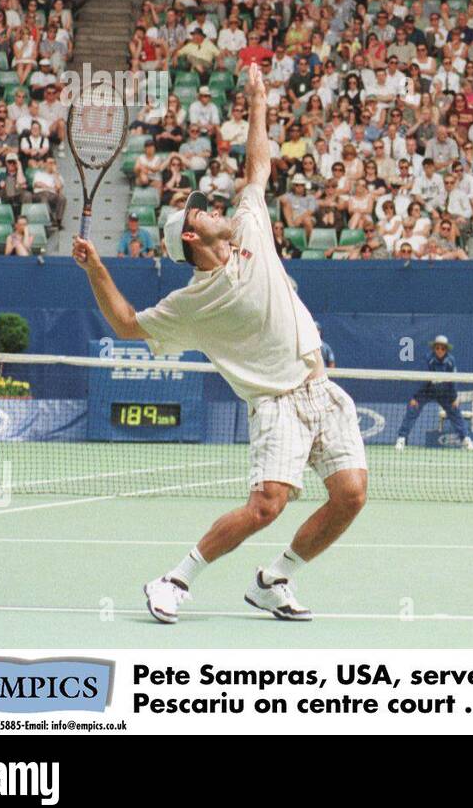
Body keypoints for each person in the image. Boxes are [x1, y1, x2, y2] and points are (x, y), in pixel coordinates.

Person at [72, 64, 367, 624]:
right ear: (190, 236)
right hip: (275, 403)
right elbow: (130, 325)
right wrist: (96, 270)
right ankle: (175, 579)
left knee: (351, 493)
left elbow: (258, 165)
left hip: (320, 388)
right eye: (202, 206)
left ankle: (274, 579)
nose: (215, 204)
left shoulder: (250, 225)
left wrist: (258, 102)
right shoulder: (190, 304)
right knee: (266, 507)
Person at [393, 334, 473, 450]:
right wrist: (416, 397)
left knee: (455, 413)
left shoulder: (451, 361)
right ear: (434, 348)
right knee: (412, 409)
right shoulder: (428, 359)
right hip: (427, 390)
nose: (440, 350)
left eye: (443, 348)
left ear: (446, 349)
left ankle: (466, 440)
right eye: (437, 348)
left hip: (445, 393)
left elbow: (453, 381)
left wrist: (455, 397)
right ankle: (401, 439)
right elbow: (423, 380)